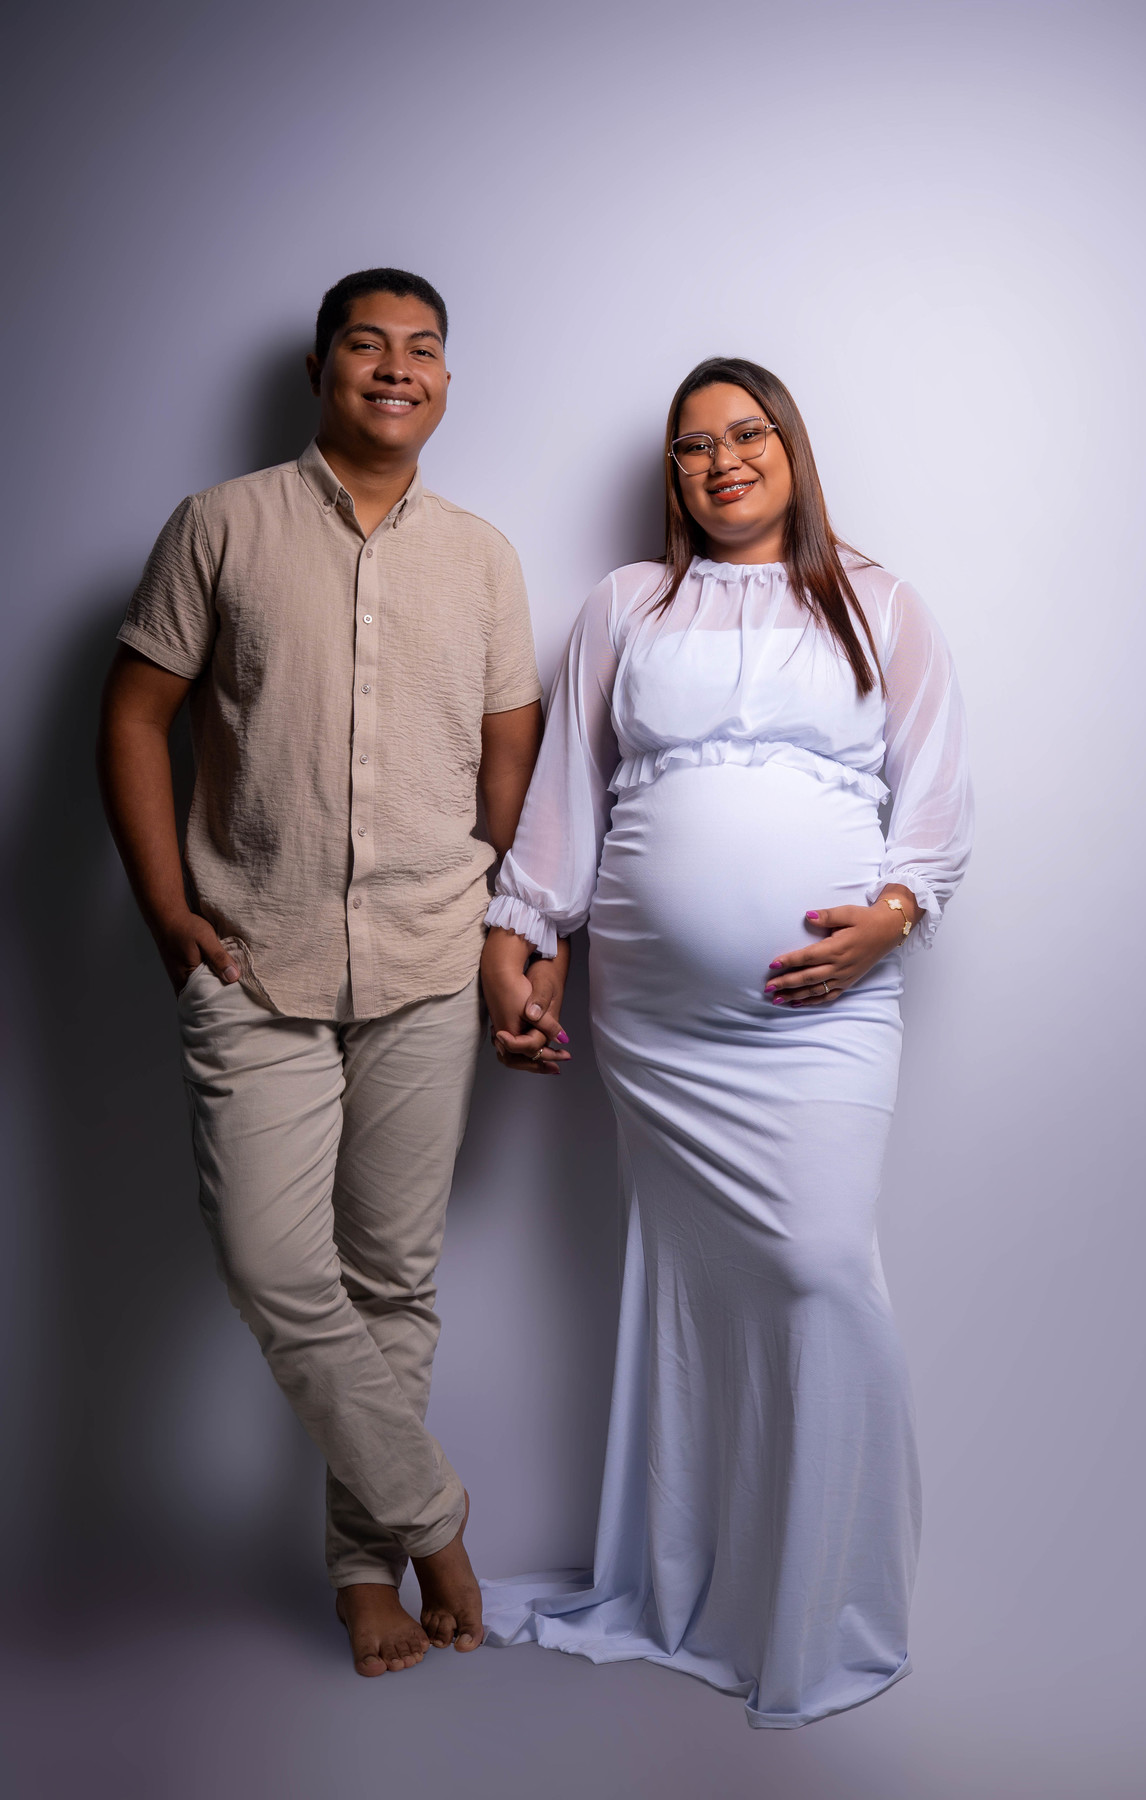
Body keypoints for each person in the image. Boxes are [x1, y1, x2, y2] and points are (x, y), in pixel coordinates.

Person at [479, 357, 973, 1727]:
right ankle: (707, 1585)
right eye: (692, 447)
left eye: (747, 434)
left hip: (824, 1009)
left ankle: (836, 1612)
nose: (722, 462)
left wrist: (888, 920)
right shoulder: (627, 605)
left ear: (791, 449)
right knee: (690, 1294)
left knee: (821, 1268)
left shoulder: (880, 602)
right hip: (658, 1016)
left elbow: (936, 801)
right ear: (674, 475)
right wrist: (522, 942)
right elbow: (569, 800)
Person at [97, 267, 564, 1677]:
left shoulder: (482, 558)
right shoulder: (219, 525)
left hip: (428, 959)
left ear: (446, 380)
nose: (397, 367)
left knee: (392, 1278)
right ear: (321, 369)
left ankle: (364, 1570)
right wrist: (167, 914)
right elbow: (134, 716)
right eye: (369, 343)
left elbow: (514, 759)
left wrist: (509, 933)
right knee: (273, 1263)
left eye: (424, 348)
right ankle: (436, 1523)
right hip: (254, 955)